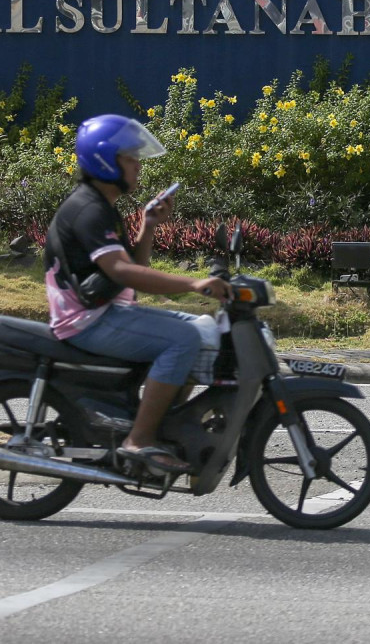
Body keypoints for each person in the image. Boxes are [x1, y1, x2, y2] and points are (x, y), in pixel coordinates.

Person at [43, 114, 232, 475]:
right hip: (86, 320)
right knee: (183, 339)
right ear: (105, 161)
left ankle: (165, 424)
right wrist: (191, 284)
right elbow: (123, 272)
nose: (138, 167)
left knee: (205, 329)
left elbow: (130, 269)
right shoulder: (89, 210)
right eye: (131, 159)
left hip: (105, 311)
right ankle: (139, 439)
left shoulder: (102, 207)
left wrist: (148, 227)